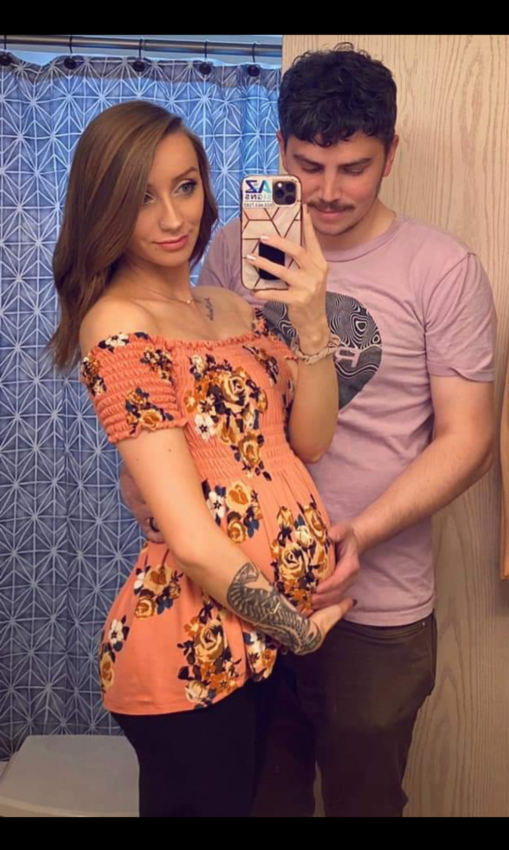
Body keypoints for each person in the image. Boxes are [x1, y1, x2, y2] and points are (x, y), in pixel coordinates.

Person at [124, 44, 497, 818]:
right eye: (308, 165)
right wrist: (148, 485)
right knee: (259, 799)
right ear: (282, 148)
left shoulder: (442, 269)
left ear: (391, 153)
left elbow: (468, 438)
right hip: (238, 591)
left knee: (365, 802)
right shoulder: (236, 250)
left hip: (374, 606)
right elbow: (192, 400)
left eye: (353, 168)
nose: (328, 192)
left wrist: (363, 531)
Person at [49, 99, 352, 818]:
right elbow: (187, 538)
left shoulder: (231, 308)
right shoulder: (118, 323)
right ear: (104, 210)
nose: (171, 218)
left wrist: (311, 319)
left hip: (259, 642)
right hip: (190, 648)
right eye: (140, 198)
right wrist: (297, 629)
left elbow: (311, 440)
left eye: (184, 187)